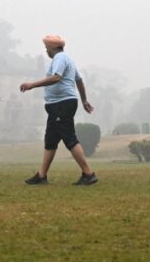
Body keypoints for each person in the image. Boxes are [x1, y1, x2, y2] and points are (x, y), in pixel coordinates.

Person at [20, 34, 98, 186]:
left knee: (69, 138)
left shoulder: (60, 59)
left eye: (46, 48)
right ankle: (42, 176)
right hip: (58, 105)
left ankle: (88, 174)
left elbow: (56, 78)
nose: (46, 51)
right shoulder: (67, 59)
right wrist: (84, 100)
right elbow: (79, 80)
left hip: (62, 104)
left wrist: (32, 85)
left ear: (53, 48)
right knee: (51, 140)